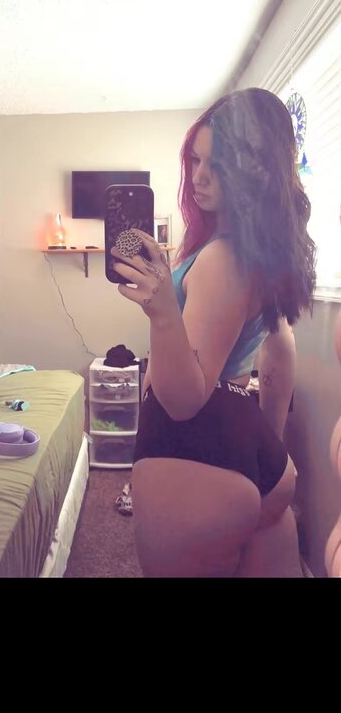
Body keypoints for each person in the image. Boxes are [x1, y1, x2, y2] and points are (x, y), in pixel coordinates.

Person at [111, 88, 316, 577]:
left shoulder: (223, 258)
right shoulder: (256, 251)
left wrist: (163, 312)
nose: (199, 176)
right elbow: (280, 346)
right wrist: (269, 442)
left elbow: (183, 401)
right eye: (196, 159)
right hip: (248, 451)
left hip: (195, 450)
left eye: (217, 165)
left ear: (257, 170)